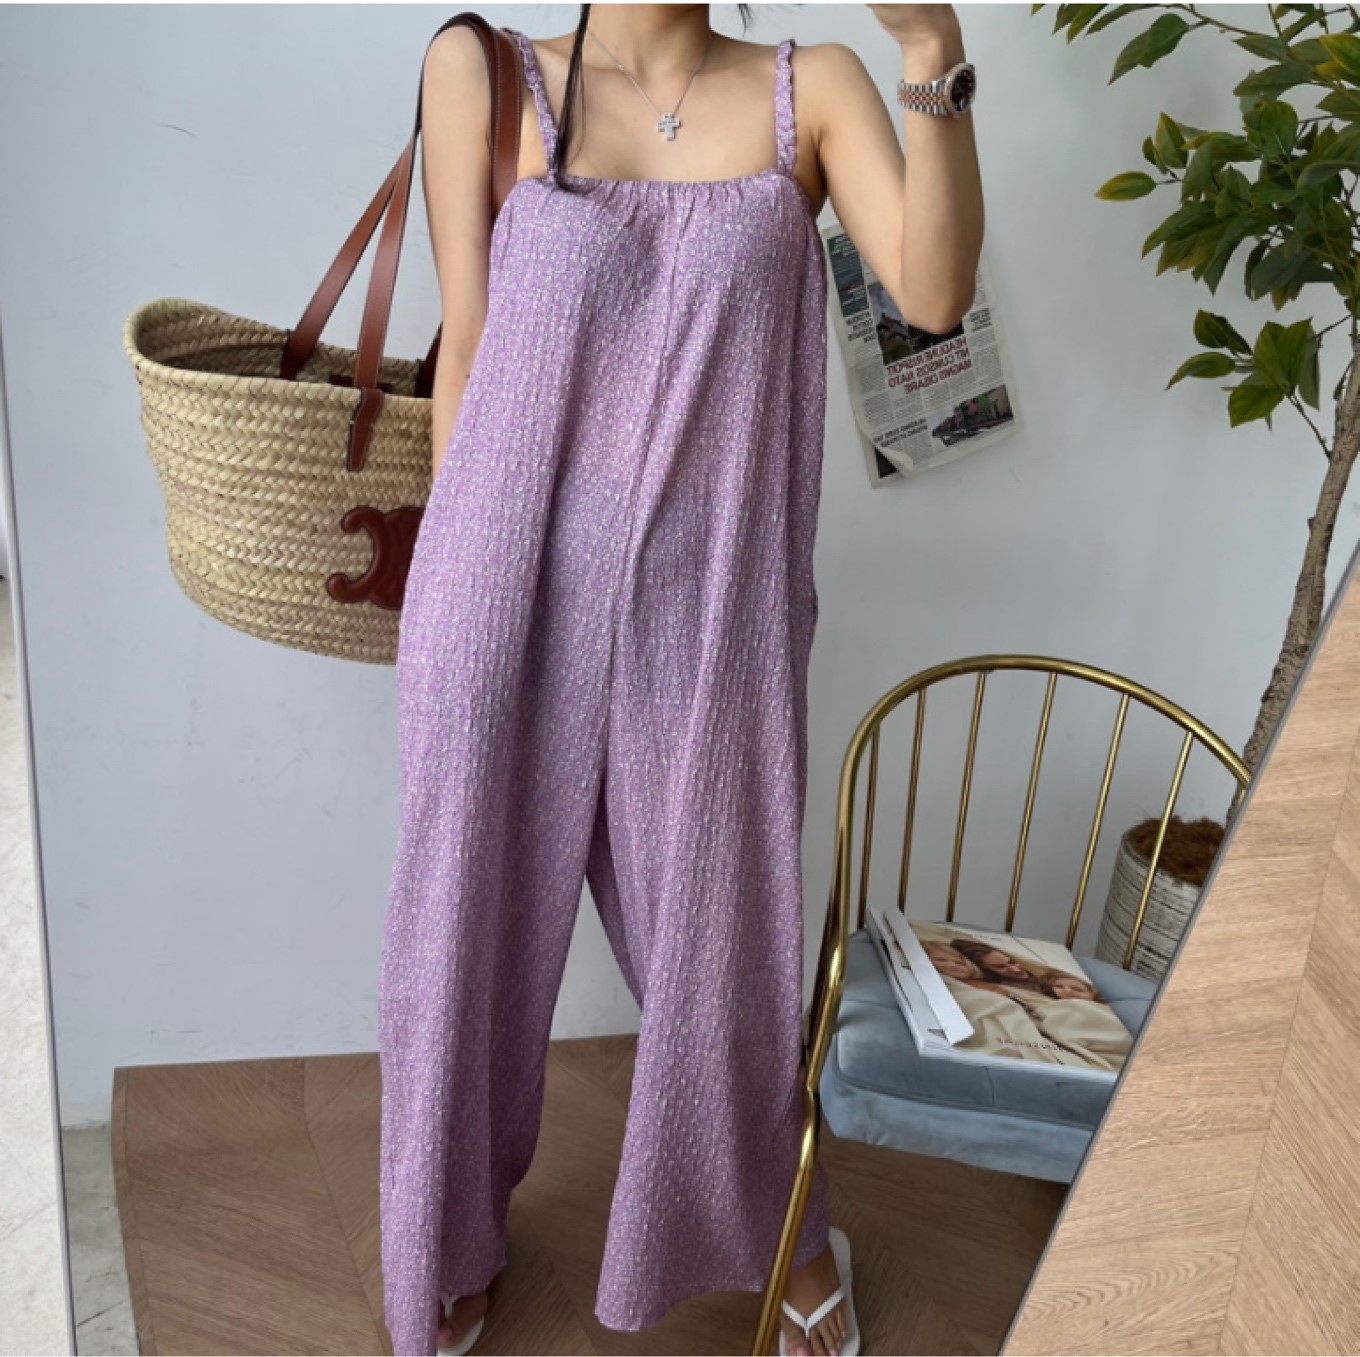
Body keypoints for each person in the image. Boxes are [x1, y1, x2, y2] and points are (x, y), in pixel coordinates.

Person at [377, 5, 984, 1355]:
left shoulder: (815, 90)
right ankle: (450, 1237)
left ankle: (783, 1227)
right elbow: (465, 345)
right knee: (463, 934)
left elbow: (933, 296)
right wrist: (449, 611)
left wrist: (931, 55)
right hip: (504, 573)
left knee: (720, 938)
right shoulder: (484, 71)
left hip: (716, 600)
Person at [1026, 971, 1134, 1073]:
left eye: (1077, 989)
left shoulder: (1106, 1008)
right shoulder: (1047, 1005)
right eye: (1059, 986)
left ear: (1093, 995)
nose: (1068, 991)